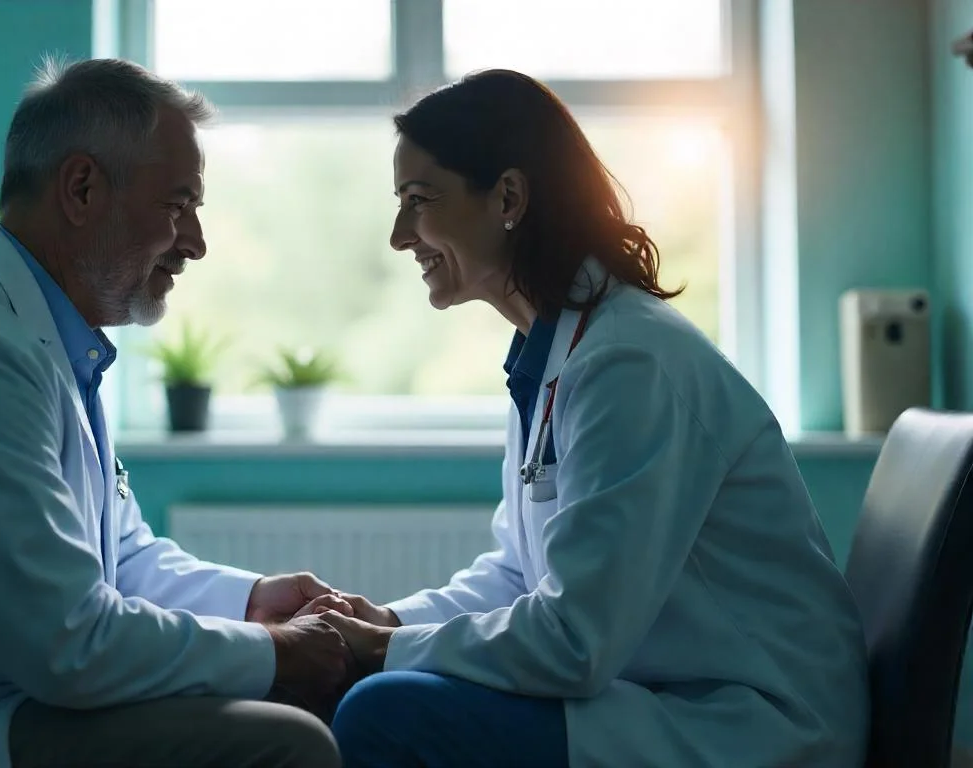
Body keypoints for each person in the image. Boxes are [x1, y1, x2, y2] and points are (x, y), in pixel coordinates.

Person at [0, 57, 352, 768]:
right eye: (177, 206)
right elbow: (72, 644)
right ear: (81, 188)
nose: (197, 242)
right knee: (287, 739)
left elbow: (122, 560)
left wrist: (253, 602)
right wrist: (275, 652)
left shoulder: (37, 340)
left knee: (300, 700)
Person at [306, 69, 871, 767]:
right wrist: (389, 622)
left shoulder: (631, 364)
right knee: (370, 691)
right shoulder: (554, 350)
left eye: (419, 201)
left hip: (752, 721)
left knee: (383, 712)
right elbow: (520, 575)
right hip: (666, 695)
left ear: (508, 197)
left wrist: (385, 652)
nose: (399, 236)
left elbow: (575, 641)